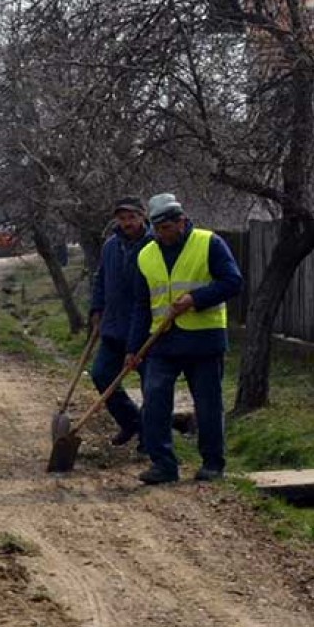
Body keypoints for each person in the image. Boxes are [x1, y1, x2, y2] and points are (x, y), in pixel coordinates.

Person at [126, 193, 243, 485]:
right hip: (162, 340)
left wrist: (195, 298)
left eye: (167, 228)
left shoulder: (208, 243)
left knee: (207, 404)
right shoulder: (146, 254)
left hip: (203, 340)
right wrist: (133, 348)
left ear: (181, 221)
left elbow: (233, 282)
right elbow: (142, 305)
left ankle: (213, 464)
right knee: (154, 398)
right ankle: (163, 464)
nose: (162, 235)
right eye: (158, 229)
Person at [88, 197, 151, 449]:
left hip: (145, 327)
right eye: (122, 218)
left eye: (132, 217)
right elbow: (100, 278)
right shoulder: (111, 246)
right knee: (101, 374)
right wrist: (96, 308)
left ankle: (150, 438)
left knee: (151, 386)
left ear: (142, 216)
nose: (127, 223)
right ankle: (131, 421)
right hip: (113, 326)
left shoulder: (154, 245)